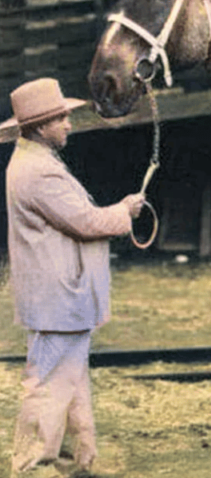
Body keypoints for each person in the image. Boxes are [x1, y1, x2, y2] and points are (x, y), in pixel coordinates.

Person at [3, 78, 144, 476]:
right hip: (57, 297)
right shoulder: (38, 171)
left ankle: (76, 461)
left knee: (70, 382)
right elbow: (85, 222)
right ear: (39, 126)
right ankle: (33, 466)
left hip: (58, 296)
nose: (68, 123)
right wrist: (124, 211)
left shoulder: (36, 161)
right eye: (61, 117)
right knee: (49, 383)